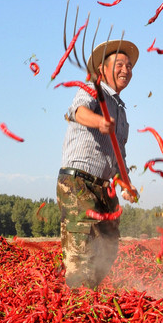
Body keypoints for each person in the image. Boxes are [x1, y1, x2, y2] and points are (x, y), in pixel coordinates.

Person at [56, 39, 139, 289]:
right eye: (119, 64)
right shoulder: (94, 89)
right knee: (83, 248)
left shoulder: (121, 112)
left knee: (108, 245)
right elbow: (76, 111)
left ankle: (85, 293)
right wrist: (98, 121)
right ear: (102, 70)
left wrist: (126, 184)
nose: (126, 70)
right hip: (78, 181)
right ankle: (78, 304)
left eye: (129, 66)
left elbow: (118, 154)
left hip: (104, 188)